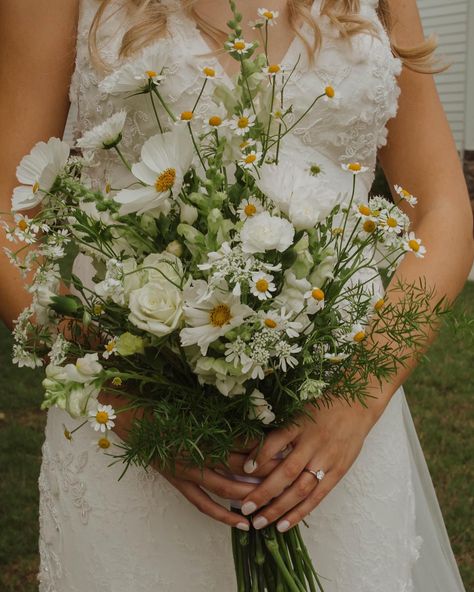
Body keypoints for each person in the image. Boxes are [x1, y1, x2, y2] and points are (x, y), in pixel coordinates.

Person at [0, 0, 472, 590]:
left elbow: (443, 206)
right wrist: (121, 397)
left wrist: (357, 402)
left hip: (339, 426)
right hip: (132, 423)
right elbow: (9, 212)